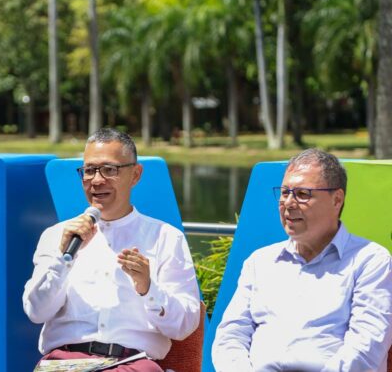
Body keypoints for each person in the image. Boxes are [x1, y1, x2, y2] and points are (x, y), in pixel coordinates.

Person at [23, 128, 201, 371]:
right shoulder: (58, 235)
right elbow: (36, 312)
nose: (97, 180)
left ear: (135, 174)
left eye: (109, 170)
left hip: (130, 363)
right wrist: (62, 260)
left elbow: (184, 327)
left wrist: (148, 287)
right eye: (89, 170)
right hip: (64, 362)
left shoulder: (165, 237)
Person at [212, 148, 392, 371]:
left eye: (302, 194)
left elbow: (366, 349)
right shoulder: (260, 262)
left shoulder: (370, 261)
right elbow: (230, 336)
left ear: (337, 199)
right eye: (284, 192)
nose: (288, 203)